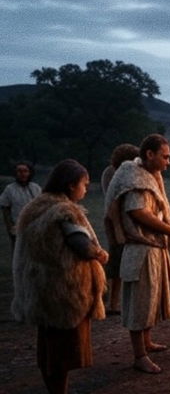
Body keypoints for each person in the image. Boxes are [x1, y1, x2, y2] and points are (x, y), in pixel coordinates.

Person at [11, 159, 108, 394]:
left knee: (48, 347)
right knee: (62, 352)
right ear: (70, 185)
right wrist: (99, 254)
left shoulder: (36, 207)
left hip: (41, 290)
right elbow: (80, 244)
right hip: (63, 294)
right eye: (84, 184)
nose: (86, 189)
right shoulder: (64, 211)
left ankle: (55, 389)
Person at [104, 134, 170, 374]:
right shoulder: (135, 178)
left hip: (153, 248)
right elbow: (139, 212)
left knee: (151, 298)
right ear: (150, 154)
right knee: (140, 302)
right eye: (165, 156)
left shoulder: (149, 176)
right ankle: (139, 355)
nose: (168, 161)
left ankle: (147, 342)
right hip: (141, 249)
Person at [101, 143, 140, 315]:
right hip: (115, 219)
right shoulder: (111, 174)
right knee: (116, 259)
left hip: (128, 219)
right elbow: (113, 203)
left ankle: (122, 299)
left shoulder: (131, 172)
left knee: (128, 258)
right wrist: (117, 227)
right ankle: (112, 302)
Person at [1, 161, 42, 247]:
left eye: (25, 171)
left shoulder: (36, 188)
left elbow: (42, 207)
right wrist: (10, 228)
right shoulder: (10, 189)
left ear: (29, 173)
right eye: (19, 171)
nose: (22, 174)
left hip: (35, 228)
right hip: (17, 228)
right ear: (15, 173)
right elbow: (5, 210)